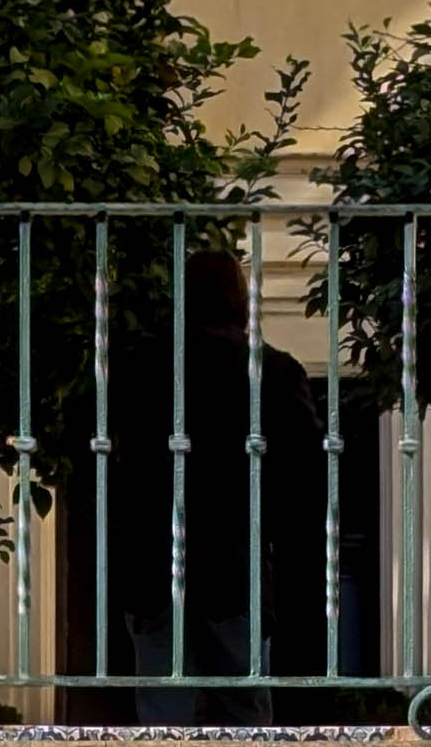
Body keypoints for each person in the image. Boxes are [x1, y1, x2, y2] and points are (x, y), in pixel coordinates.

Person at [58, 249, 327, 721]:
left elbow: (86, 452)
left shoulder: (136, 366)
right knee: (245, 715)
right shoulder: (273, 372)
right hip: (235, 561)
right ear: (240, 301)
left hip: (152, 557)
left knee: (162, 714)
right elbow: (306, 473)